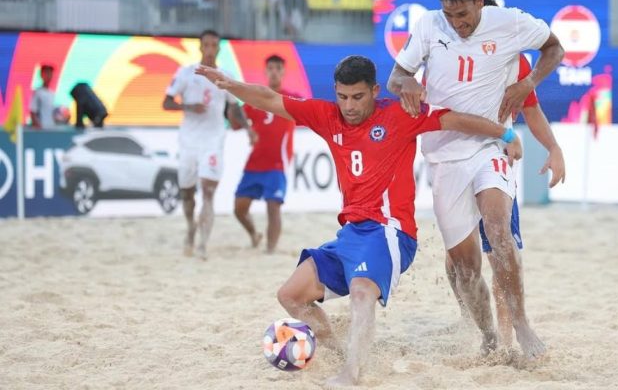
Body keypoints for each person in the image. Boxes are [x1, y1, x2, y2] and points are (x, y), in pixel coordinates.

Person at [195, 55, 519, 386]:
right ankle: (342, 350)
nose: (349, 106)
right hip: (350, 234)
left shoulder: (400, 115)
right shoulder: (326, 115)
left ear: (375, 91)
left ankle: (352, 372)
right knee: (290, 295)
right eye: (342, 96)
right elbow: (269, 99)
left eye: (358, 97)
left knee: (361, 292)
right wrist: (229, 84)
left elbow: (456, 120)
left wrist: (505, 136)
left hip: (391, 231)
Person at [387, 0, 564, 360]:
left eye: (463, 14)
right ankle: (486, 334)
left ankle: (521, 325)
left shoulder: (509, 22)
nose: (458, 23)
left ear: (479, 2)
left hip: (490, 145)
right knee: (464, 266)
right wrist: (409, 83)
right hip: (443, 155)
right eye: (450, 15)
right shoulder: (428, 26)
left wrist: (529, 82)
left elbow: (555, 47)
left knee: (499, 229)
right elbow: (394, 77)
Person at [445, 0, 567, 346]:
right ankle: (471, 318)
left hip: (495, 159)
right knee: (455, 258)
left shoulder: (516, 62)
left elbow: (531, 109)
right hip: (454, 161)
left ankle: (509, 332)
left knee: (499, 243)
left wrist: (554, 147)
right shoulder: (452, 59)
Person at [162, 29, 251, 260]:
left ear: (219, 48)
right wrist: (189, 107)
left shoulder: (225, 75)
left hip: (214, 140)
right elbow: (167, 102)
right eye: (207, 45)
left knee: (209, 191)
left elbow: (234, 105)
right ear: (200, 48)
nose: (211, 49)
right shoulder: (186, 73)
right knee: (187, 193)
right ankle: (191, 227)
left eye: (214, 45)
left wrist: (247, 129)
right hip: (189, 141)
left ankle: (202, 244)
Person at [230, 54, 297, 252]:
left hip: (278, 164)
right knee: (239, 209)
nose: (274, 71)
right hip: (255, 162)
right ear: (266, 71)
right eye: (271, 68)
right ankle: (254, 234)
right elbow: (235, 123)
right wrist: (231, 105)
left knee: (273, 206)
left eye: (278, 68)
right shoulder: (255, 99)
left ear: (283, 72)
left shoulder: (291, 98)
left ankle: (270, 250)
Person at [30, 65, 56, 129]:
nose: (49, 76)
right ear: (41, 75)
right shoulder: (38, 92)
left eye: (50, 73)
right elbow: (33, 111)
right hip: (41, 129)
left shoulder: (51, 93)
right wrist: (37, 125)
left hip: (51, 127)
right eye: (46, 73)